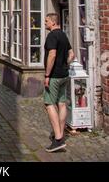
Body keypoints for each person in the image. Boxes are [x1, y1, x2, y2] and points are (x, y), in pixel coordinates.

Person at [43, 13, 75, 153]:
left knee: (49, 104)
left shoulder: (52, 36)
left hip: (54, 76)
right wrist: (64, 65)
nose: (45, 23)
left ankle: (58, 139)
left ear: (53, 22)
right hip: (64, 75)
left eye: (46, 21)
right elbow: (72, 54)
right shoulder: (63, 35)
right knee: (61, 104)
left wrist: (47, 75)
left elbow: (52, 54)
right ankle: (61, 133)